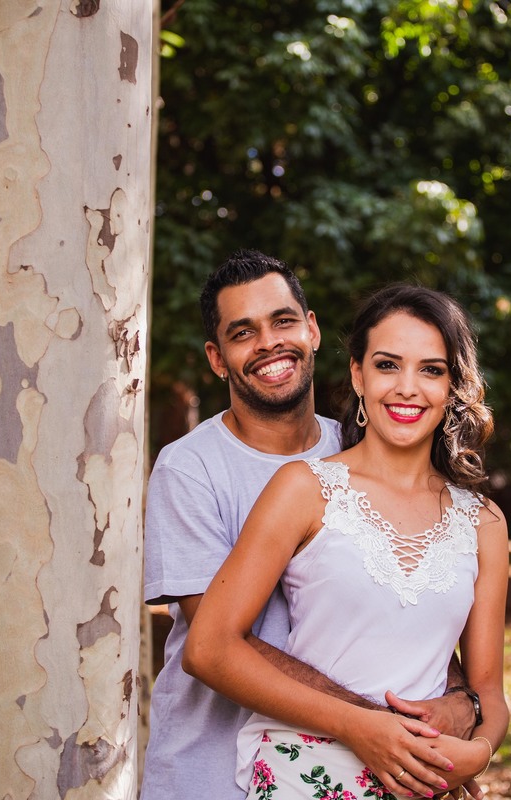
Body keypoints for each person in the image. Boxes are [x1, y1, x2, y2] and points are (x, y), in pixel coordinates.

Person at [141, 254, 484, 800]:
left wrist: (461, 703)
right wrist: (386, 730)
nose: (269, 343)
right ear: (217, 359)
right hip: (210, 771)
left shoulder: (364, 451)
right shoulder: (190, 468)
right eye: (242, 333)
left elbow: (409, 601)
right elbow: (220, 643)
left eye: (283, 321)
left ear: (313, 330)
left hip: (366, 773)